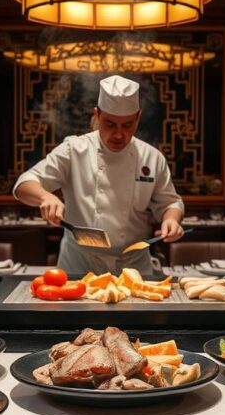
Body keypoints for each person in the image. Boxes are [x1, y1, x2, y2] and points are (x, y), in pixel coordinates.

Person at [13, 75, 185, 274]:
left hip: (133, 266)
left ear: (138, 117)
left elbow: (171, 203)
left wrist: (171, 219)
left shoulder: (151, 158)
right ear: (97, 115)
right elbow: (23, 184)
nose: (119, 134)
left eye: (127, 125)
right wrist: (45, 196)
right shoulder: (74, 150)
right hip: (79, 265)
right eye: (110, 124)